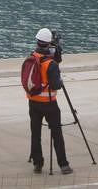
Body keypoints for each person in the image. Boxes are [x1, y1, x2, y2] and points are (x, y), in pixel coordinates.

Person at [27, 27, 73, 175]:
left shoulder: (31, 56)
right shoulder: (51, 64)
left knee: (35, 134)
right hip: (49, 104)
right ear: (48, 44)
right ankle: (63, 165)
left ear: (37, 41)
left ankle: (37, 164)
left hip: (33, 102)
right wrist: (59, 78)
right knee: (56, 133)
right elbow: (56, 85)